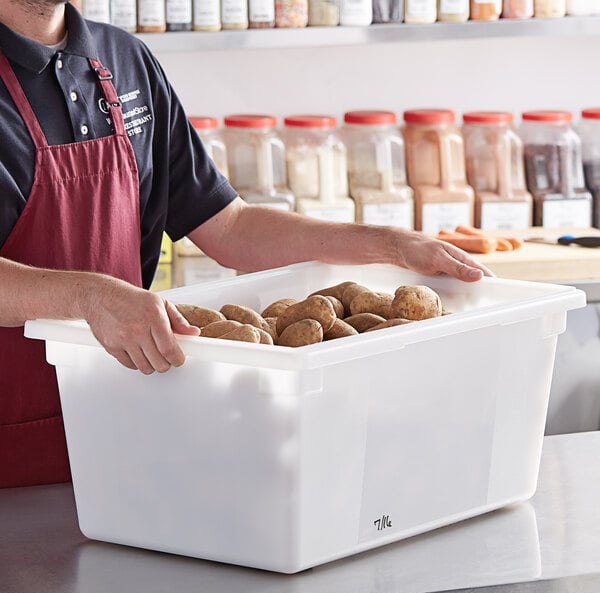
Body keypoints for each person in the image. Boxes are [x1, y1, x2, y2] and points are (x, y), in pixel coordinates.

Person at [0, 0, 493, 489]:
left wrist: (390, 245)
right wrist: (91, 297)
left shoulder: (124, 60)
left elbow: (229, 228)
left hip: (123, 425)